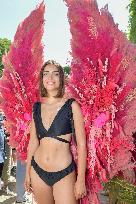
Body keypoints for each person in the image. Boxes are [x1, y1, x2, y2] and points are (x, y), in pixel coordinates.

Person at [24, 60, 87, 204]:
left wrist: (80, 179)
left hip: (64, 173)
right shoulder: (36, 107)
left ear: (61, 79)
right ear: (42, 79)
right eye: (46, 74)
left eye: (55, 74)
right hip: (37, 171)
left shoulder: (72, 106)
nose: (50, 78)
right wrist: (27, 173)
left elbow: (82, 145)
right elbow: (33, 142)